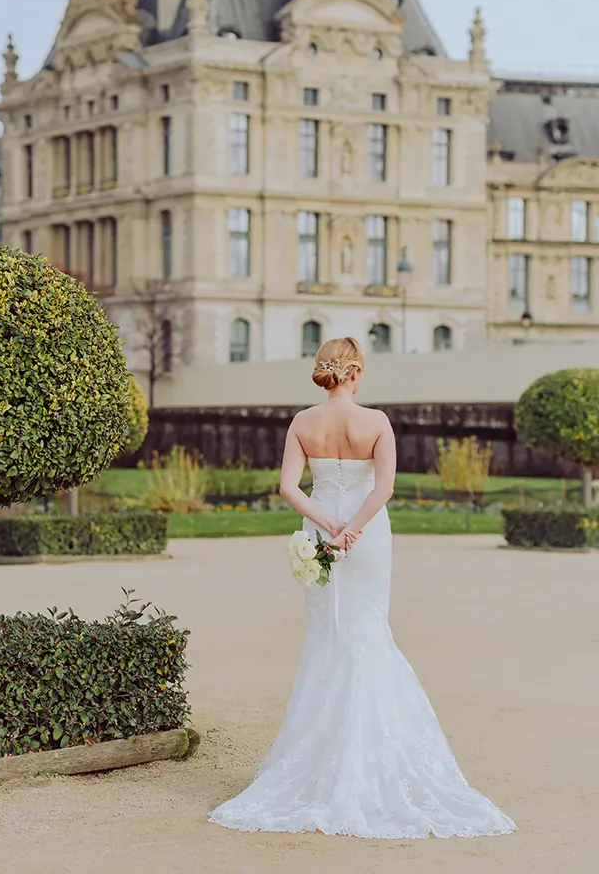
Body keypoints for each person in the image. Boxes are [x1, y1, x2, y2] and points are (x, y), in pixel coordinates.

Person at [209, 337, 516, 839]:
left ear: (325, 372)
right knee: (368, 629)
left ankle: (318, 758)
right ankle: (371, 755)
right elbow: (384, 487)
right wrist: (354, 529)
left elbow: (289, 487)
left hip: (320, 529)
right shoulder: (377, 422)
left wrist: (327, 522)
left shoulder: (302, 423)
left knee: (328, 632)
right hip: (368, 532)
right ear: (355, 373)